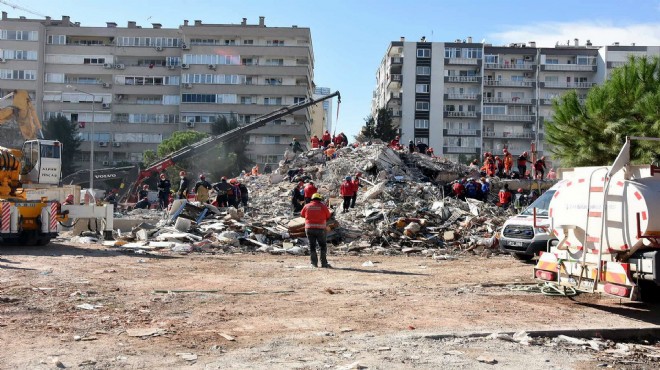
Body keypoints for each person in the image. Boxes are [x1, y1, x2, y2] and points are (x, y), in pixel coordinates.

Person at [301, 193, 332, 268]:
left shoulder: (307, 206)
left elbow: (302, 214)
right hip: (320, 229)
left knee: (312, 246)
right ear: (320, 199)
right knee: (322, 246)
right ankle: (324, 263)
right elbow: (328, 215)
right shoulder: (323, 206)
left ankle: (313, 263)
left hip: (309, 228)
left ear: (312, 199)